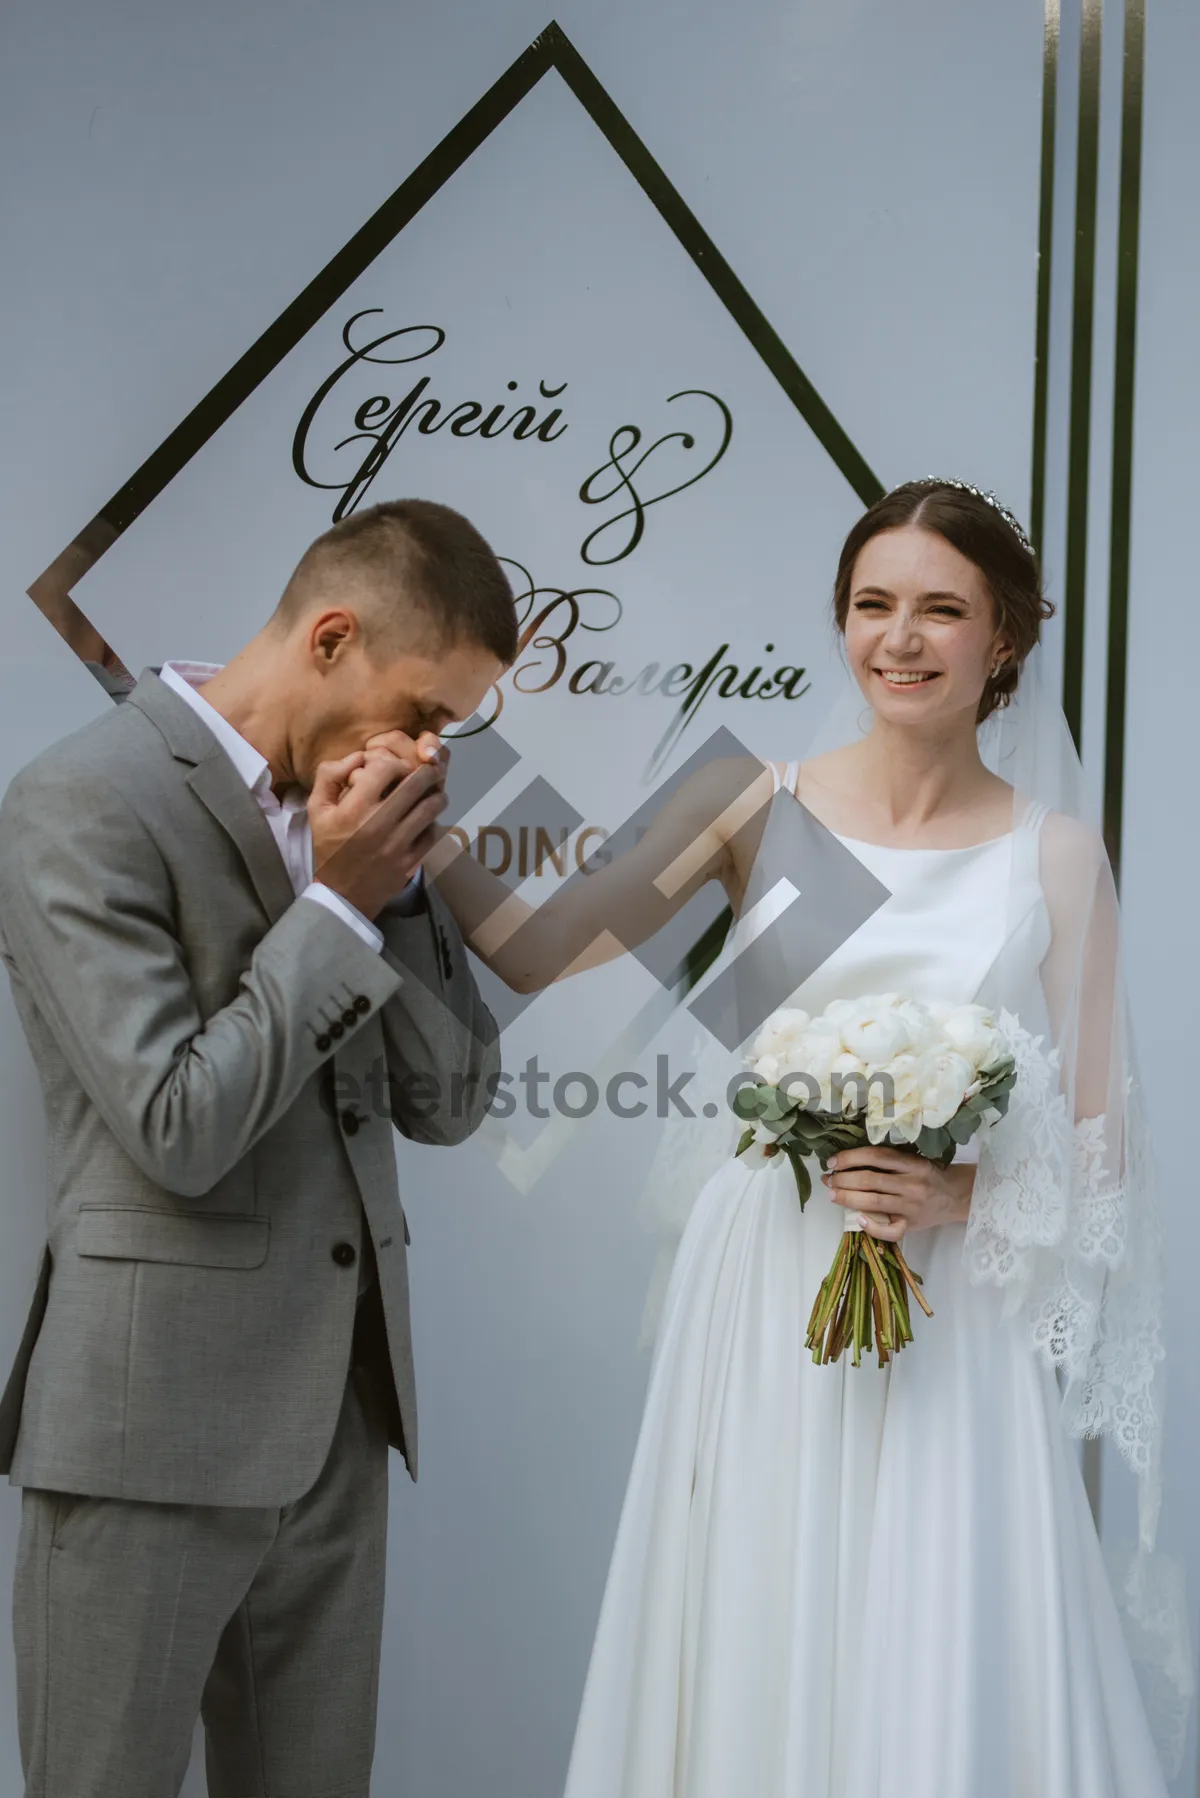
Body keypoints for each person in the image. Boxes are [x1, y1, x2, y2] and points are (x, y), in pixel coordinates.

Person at [375, 480, 1186, 1795]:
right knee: (761, 1591)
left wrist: (954, 1186)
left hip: (947, 1318)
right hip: (764, 1285)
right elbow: (539, 943)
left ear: (1006, 642)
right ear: (842, 624)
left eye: (942, 609)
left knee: (928, 1605)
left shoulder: (1053, 857)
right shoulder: (758, 802)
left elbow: (1106, 1161)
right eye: (873, 605)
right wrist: (419, 817)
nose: (901, 638)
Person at [0, 498, 511, 1798]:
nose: (431, 749)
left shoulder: (374, 825)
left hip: (340, 1421)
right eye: (426, 710)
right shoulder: (80, 800)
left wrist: (392, 898)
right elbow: (178, 1126)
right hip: (144, 1431)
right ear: (332, 636)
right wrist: (333, 897)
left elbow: (451, 1101)